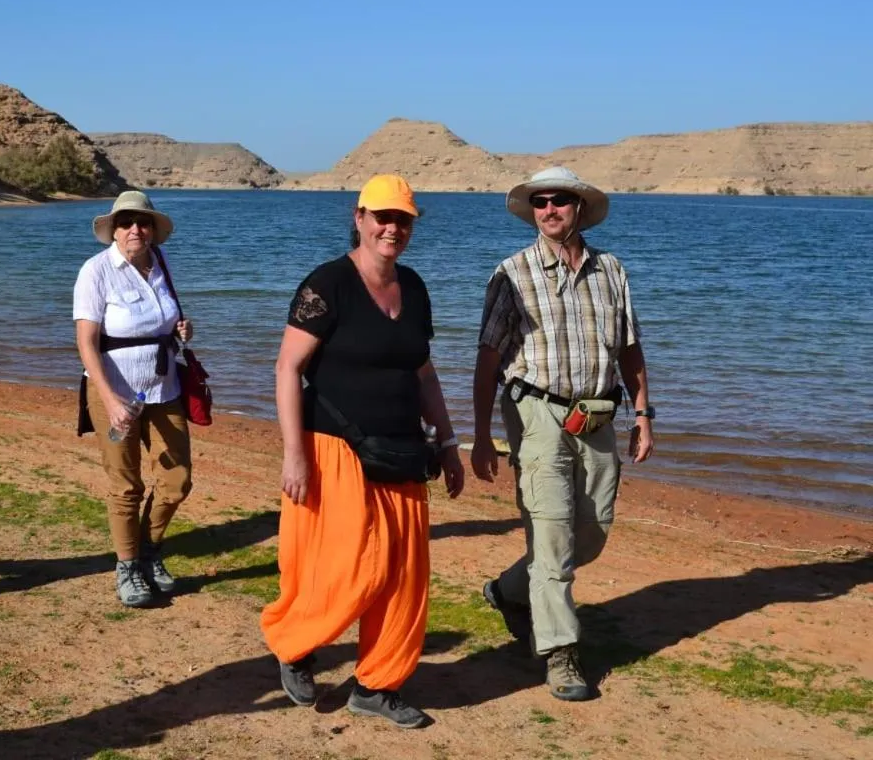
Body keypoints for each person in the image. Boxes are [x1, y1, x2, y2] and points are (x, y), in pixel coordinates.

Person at [262, 174, 465, 729]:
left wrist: (447, 442)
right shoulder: (328, 284)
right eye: (382, 216)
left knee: (403, 576)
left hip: (402, 451)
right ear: (359, 217)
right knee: (345, 568)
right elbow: (287, 368)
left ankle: (377, 684)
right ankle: (294, 645)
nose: (391, 228)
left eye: (402, 219)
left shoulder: (415, 288)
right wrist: (294, 453)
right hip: (333, 448)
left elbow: (423, 372)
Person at [470, 166, 655, 701]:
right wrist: (481, 434)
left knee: (590, 533)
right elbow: (488, 360)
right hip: (536, 417)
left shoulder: (612, 271)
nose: (549, 209)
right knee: (551, 539)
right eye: (540, 201)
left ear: (579, 208)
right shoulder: (512, 273)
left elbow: (629, 349)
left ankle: (507, 590)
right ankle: (561, 655)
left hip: (597, 415)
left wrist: (643, 414)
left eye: (559, 201)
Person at [74, 190, 194, 609]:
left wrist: (181, 329)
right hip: (113, 389)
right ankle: (127, 565)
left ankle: (148, 549)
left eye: (142, 223)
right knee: (126, 486)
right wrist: (109, 399)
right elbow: (86, 343)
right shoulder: (96, 271)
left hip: (164, 389)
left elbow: (162, 321)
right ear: (114, 229)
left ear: (153, 230)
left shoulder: (161, 264)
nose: (134, 230)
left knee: (177, 481)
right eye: (125, 223)